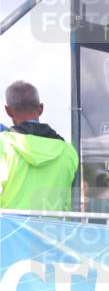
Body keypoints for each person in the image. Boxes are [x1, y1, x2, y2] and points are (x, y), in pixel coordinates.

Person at [0, 80, 78, 211]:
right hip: (52, 230)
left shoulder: (3, 144)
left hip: (8, 231)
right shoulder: (69, 151)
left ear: (8, 111)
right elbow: (69, 203)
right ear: (41, 108)